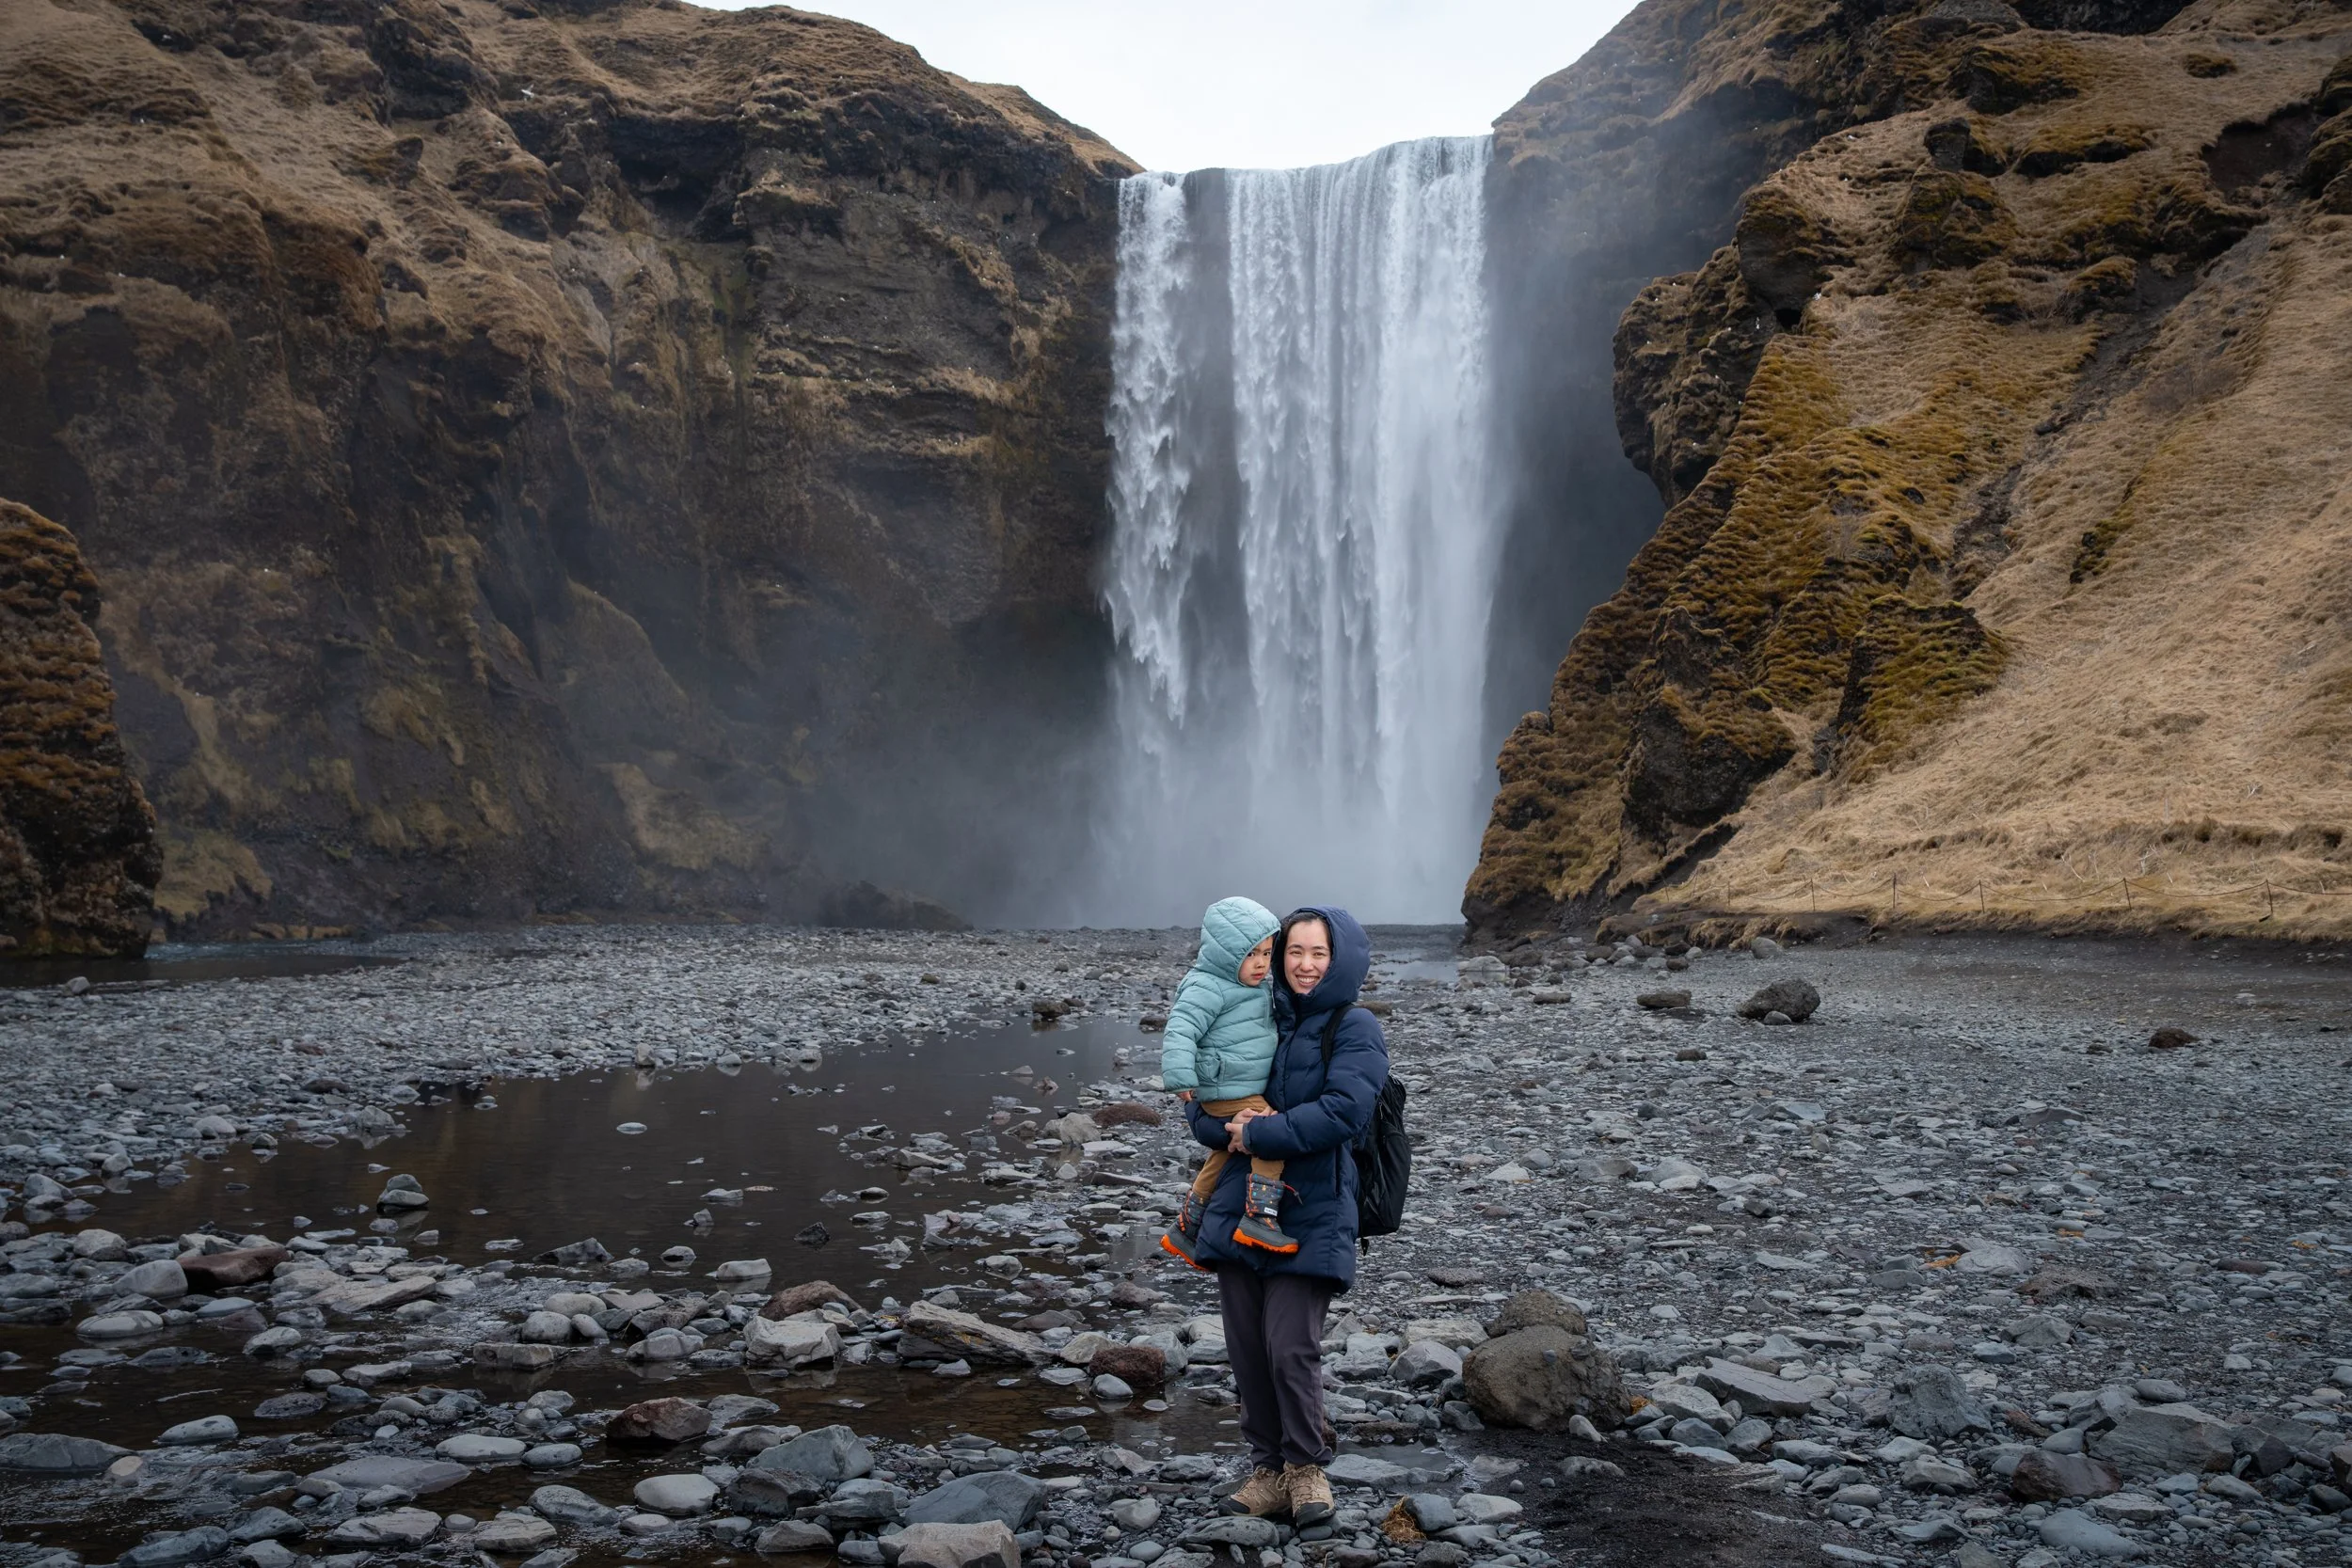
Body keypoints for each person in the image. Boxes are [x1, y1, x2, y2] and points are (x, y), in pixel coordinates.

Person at [1183, 905, 1388, 1528]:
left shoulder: (1355, 1028)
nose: (1303, 965)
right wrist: (1229, 1128)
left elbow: (1345, 1110)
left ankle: (1306, 1466)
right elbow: (1200, 1104)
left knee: (1288, 1347)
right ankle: (1267, 1469)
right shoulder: (1250, 1014)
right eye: (1293, 951)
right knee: (1246, 1348)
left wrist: (1263, 1130)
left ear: (1340, 959)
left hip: (1315, 1208)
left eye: (1318, 953)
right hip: (1237, 1204)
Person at [1156, 896, 1298, 1266]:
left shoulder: (1249, 988)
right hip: (1223, 1085)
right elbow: (1180, 1030)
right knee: (1267, 1130)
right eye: (1251, 954)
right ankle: (1260, 1216)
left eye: (1267, 954)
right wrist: (1180, 1075)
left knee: (1222, 1155)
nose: (1261, 964)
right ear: (1225, 952)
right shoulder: (1208, 985)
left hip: (1235, 1083)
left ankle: (1188, 1226)